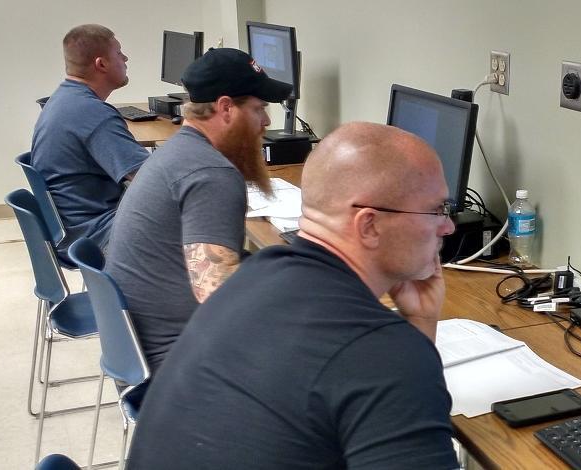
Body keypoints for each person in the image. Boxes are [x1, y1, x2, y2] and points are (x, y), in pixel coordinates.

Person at [127, 122, 459, 469]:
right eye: (437, 210)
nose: (448, 227)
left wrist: (421, 320)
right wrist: (410, 344)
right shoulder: (383, 356)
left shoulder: (254, 275)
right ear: (370, 225)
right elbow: (377, 372)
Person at [104, 48, 291, 373]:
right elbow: (216, 297)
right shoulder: (211, 174)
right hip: (179, 367)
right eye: (259, 108)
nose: (266, 122)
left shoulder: (176, 151)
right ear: (226, 108)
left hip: (139, 351)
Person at [30, 24, 149, 250]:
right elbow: (150, 178)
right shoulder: (92, 114)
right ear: (101, 64)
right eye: (119, 52)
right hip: (96, 232)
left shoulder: (62, 99)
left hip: (74, 226)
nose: (125, 58)